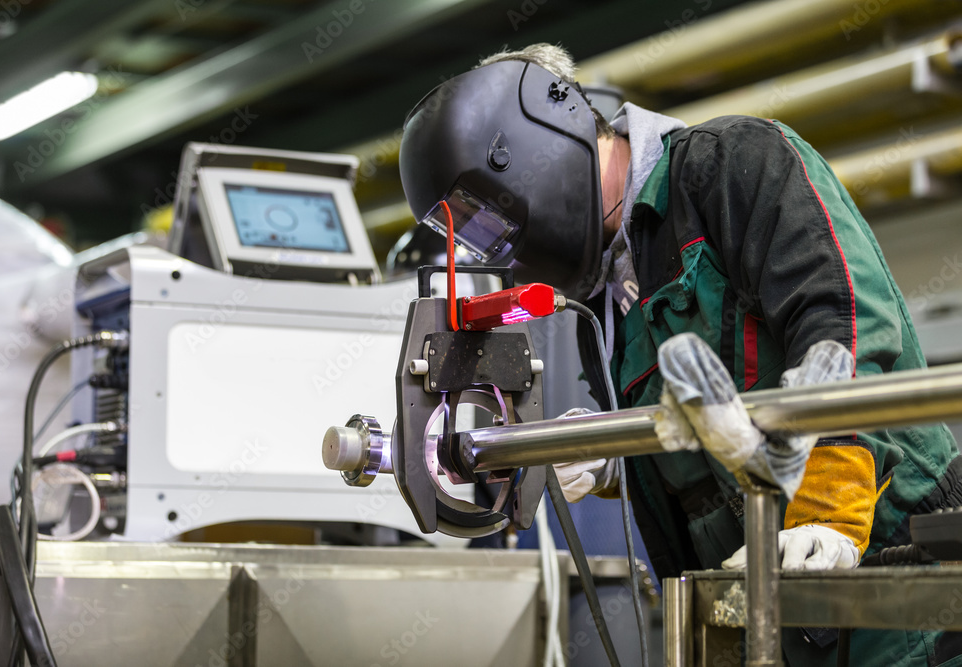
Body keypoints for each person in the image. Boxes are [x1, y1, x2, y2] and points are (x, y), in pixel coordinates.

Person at [397, 43, 962, 665]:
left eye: (491, 222)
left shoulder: (731, 164)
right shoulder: (607, 288)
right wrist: (615, 457)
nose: (504, 250)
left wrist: (827, 509)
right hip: (760, 593)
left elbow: (847, 319)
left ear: (541, 140)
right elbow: (702, 429)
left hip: (889, 567)